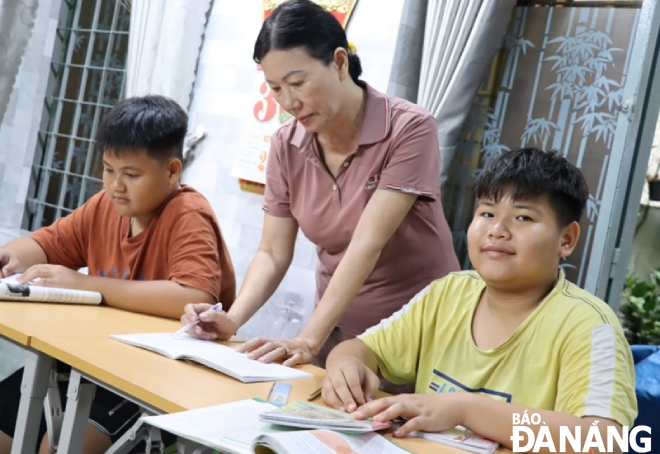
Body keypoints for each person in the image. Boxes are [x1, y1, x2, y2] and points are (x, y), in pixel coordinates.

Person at [182, 0, 459, 369]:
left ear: (340, 62)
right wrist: (232, 319)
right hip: (340, 332)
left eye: (297, 83)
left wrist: (307, 339)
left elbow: (367, 241)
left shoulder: (409, 128)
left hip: (421, 335)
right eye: (275, 88)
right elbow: (272, 252)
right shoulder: (286, 143)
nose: (288, 102)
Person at [321, 148, 637, 451]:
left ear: (566, 239)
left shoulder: (588, 324)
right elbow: (362, 349)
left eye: (523, 218)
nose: (497, 230)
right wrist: (346, 367)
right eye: (487, 213)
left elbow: (602, 441)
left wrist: (464, 409)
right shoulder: (448, 293)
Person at [0, 95, 236, 454]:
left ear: (172, 170)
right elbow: (46, 245)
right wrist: (9, 258)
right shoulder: (105, 206)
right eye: (108, 170)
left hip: (155, 378)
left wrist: (86, 284)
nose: (115, 185)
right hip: (89, 361)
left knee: (62, 446)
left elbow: (195, 296)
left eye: (131, 174)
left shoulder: (188, 214)